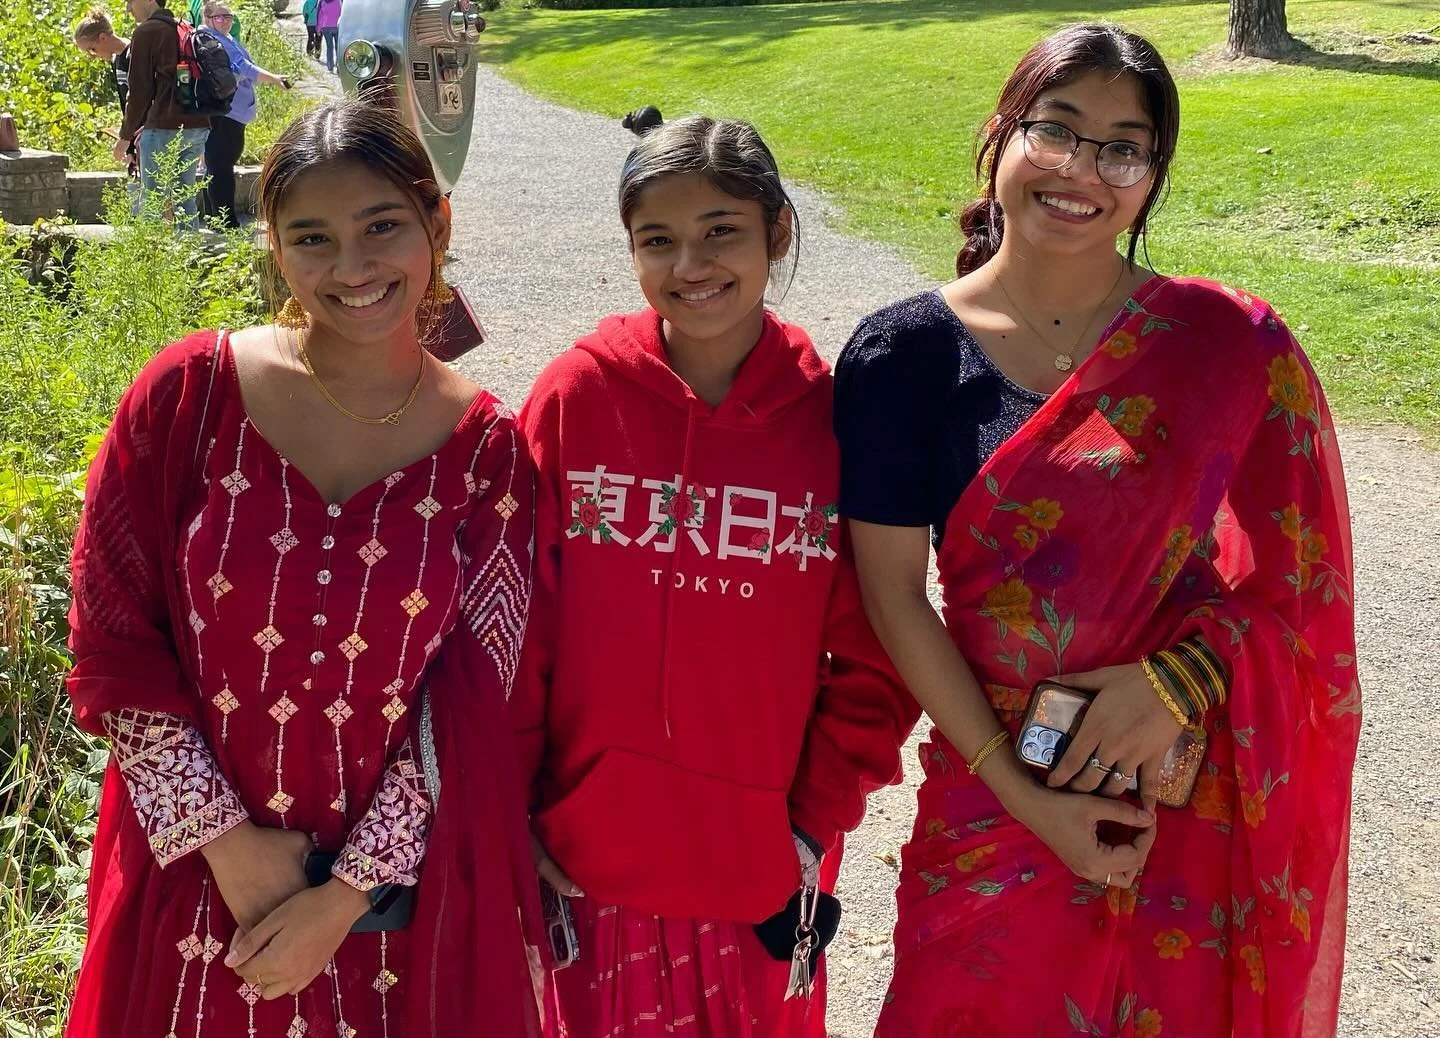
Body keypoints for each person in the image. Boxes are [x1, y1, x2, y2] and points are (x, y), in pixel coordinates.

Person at [834, 23, 1360, 1038]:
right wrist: (1031, 804)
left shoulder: (1226, 347)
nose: (1083, 170)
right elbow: (894, 594)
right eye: (1058, 130)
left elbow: (1308, 586)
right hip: (995, 791)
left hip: (1184, 790)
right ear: (1000, 135)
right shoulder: (901, 356)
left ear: (1152, 177)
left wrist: (1182, 682)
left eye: (1123, 146)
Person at [64, 98, 542, 1038]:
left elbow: (480, 697)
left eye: (382, 227)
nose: (352, 267)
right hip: (191, 884)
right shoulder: (186, 401)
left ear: (436, 223)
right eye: (312, 236)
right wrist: (228, 846)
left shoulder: (488, 453)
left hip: (390, 923)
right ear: (274, 246)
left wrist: (345, 896)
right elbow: (112, 639)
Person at [513, 115, 919, 1037]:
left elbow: (880, 651)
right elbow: (517, 623)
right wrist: (521, 807)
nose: (689, 264)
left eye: (720, 232)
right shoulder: (577, 396)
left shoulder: (836, 420)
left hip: (758, 869)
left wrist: (810, 826)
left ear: (777, 232)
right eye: (658, 240)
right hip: (581, 859)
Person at [116, 0, 210, 230]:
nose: (128, 8)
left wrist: (125, 136)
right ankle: (190, 255)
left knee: (152, 200)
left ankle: (151, 260)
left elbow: (139, 90)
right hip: (198, 125)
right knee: (185, 197)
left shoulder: (147, 31)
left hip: (164, 127)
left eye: (130, 1)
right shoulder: (185, 27)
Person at [201, 1, 291, 229]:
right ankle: (225, 223)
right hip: (224, 113)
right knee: (220, 167)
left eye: (228, 17)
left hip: (230, 112)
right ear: (208, 18)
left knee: (218, 165)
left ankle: (216, 219)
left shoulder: (224, 39)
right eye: (220, 17)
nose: (226, 21)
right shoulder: (210, 39)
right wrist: (275, 79)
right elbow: (244, 68)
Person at [317, 0, 343, 74]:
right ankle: (339, 68)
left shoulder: (321, 1)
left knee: (329, 47)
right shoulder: (338, 1)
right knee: (338, 48)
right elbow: (342, 13)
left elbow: (319, 15)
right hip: (337, 27)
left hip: (326, 26)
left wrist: (318, 29)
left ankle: (330, 68)